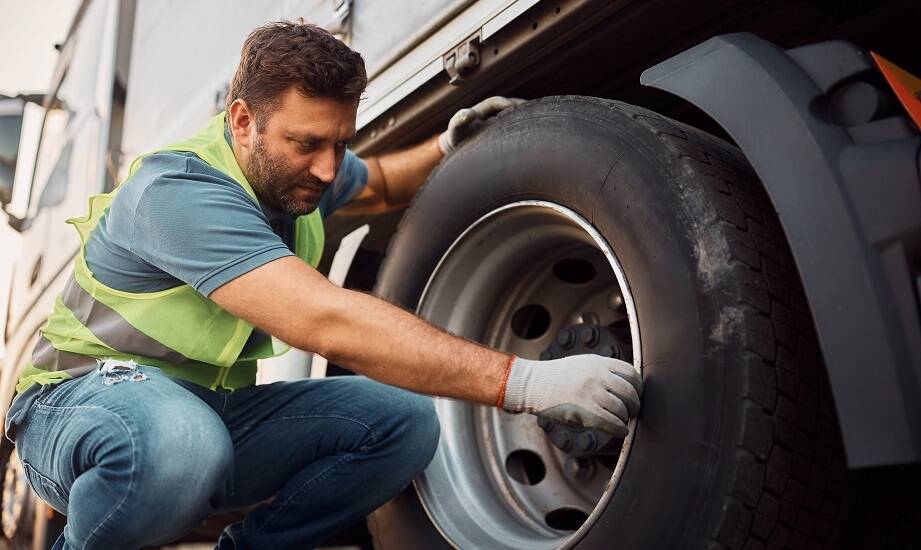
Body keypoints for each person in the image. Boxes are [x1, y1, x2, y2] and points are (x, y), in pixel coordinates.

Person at [4, 21, 643, 549]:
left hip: (203, 410)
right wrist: (527, 382)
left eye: (340, 141)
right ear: (243, 120)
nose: (328, 166)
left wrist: (448, 146)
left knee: (404, 422)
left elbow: (383, 182)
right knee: (180, 445)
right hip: (79, 404)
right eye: (309, 142)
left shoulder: (296, 171)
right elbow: (324, 320)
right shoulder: (178, 193)